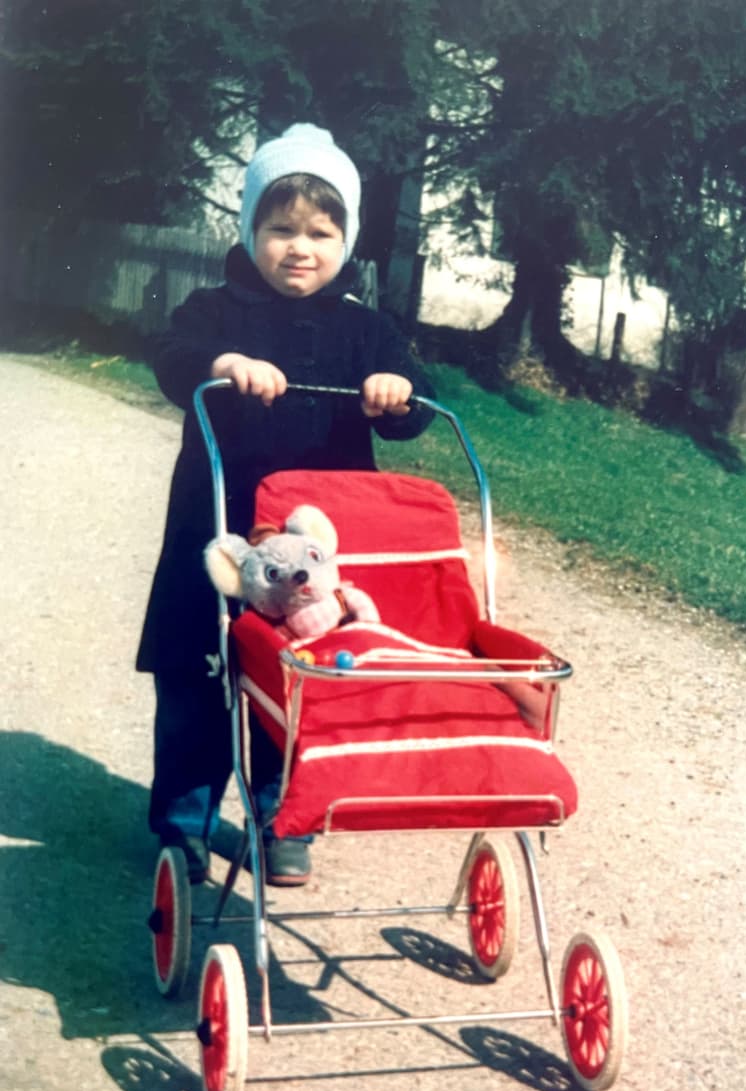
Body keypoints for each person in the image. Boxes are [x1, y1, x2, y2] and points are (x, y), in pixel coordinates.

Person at [136, 123, 434, 887]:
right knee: (199, 677)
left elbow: (420, 406)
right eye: (280, 229)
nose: (299, 248)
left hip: (310, 555)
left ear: (347, 241)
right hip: (220, 529)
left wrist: (396, 397)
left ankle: (281, 819)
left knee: (295, 682)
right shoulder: (213, 311)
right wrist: (224, 361)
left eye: (319, 233)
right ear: (250, 231)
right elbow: (172, 361)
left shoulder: (366, 329)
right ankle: (185, 823)